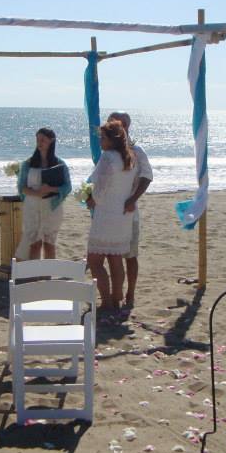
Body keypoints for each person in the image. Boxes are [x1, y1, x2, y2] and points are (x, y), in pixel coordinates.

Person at [86, 120, 137, 311]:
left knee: (95, 260)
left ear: (112, 140)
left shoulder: (108, 158)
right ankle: (117, 297)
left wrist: (91, 198)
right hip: (122, 215)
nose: (100, 141)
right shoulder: (129, 158)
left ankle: (106, 300)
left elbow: (101, 188)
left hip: (106, 214)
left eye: (103, 137)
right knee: (115, 258)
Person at [107, 111, 152, 309]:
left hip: (128, 212)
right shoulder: (108, 151)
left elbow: (147, 176)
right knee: (111, 254)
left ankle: (130, 293)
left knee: (130, 255)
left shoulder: (136, 150)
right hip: (108, 213)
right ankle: (114, 294)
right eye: (111, 123)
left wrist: (133, 199)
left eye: (119, 123)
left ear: (126, 126)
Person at [15, 127, 72, 260]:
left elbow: (68, 187)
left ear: (51, 141)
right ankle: (34, 276)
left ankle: (47, 276)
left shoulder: (60, 164)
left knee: (49, 244)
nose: (39, 143)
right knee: (34, 243)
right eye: (37, 140)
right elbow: (21, 187)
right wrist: (37, 193)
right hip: (32, 207)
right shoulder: (27, 163)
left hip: (52, 207)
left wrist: (51, 189)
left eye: (43, 140)